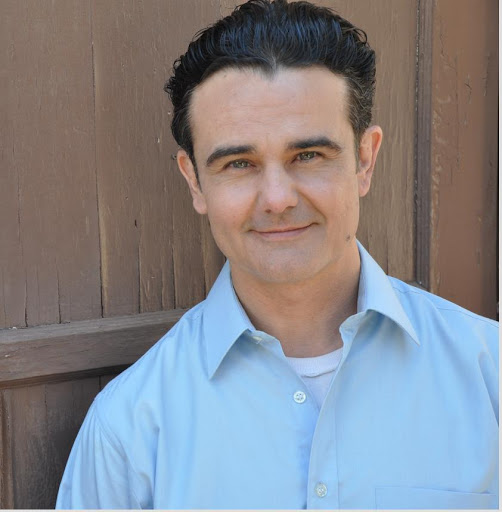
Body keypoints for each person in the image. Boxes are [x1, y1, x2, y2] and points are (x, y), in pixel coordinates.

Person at [56, 0, 498, 509]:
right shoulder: (128, 428)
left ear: (365, 160)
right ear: (194, 181)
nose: (277, 198)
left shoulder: (491, 375)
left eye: (308, 155)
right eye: (238, 163)